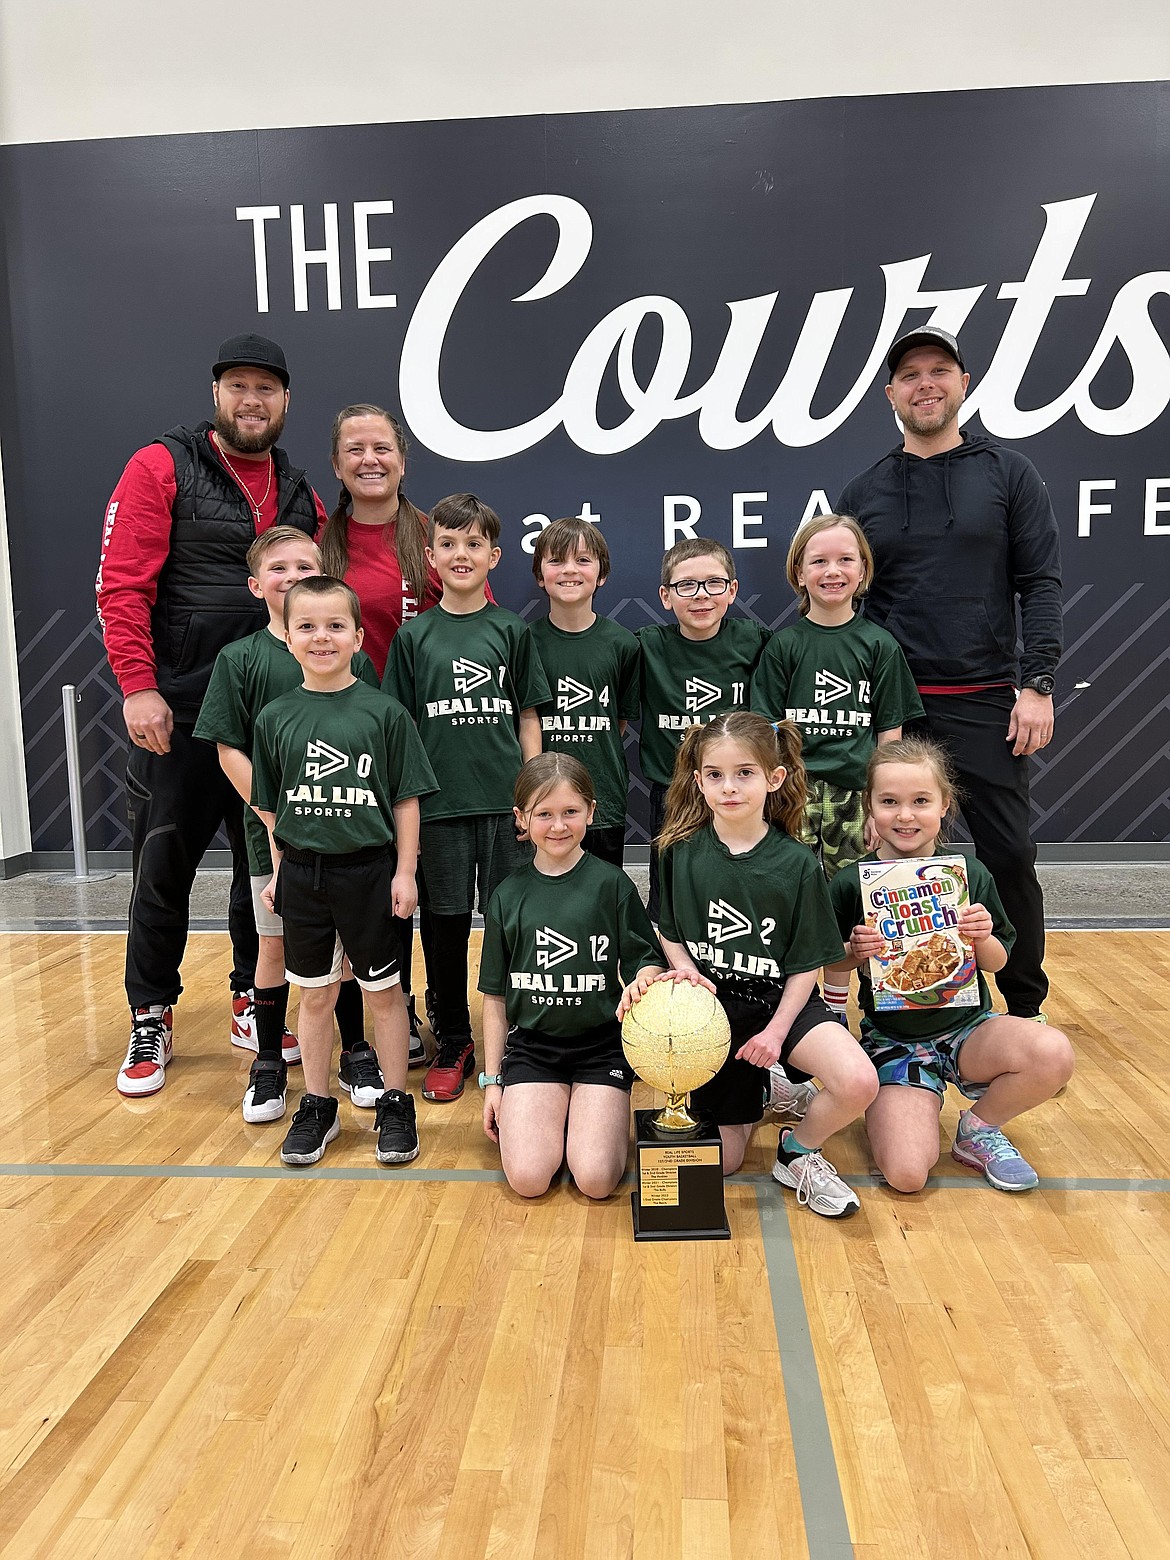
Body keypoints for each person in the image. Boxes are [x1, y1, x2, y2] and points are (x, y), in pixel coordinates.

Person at [97, 333, 326, 1098]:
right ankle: (150, 1013)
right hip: (182, 708)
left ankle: (246, 996)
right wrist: (138, 684)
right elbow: (121, 586)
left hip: (275, 717)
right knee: (162, 866)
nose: (252, 400)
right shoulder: (160, 466)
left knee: (258, 869)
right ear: (217, 394)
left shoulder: (300, 491)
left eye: (267, 388)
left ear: (286, 401)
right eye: (238, 386)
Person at [837, 326, 1062, 1019]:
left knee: (1009, 855)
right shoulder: (865, 490)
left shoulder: (1009, 474)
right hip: (896, 708)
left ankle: (1021, 1006)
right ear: (891, 395)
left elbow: (1041, 582)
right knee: (890, 858)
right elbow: (848, 601)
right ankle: (906, 1000)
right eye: (910, 375)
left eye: (939, 371)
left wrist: (1037, 684)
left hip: (986, 699)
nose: (925, 384)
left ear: (963, 383)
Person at [193, 527, 384, 1123]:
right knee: (273, 946)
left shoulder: (352, 656)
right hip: (272, 838)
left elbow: (372, 742)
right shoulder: (241, 659)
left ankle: (356, 1052)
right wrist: (278, 818)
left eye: (306, 564)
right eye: (279, 568)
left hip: (347, 836)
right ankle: (270, 1063)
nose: (294, 574)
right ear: (256, 585)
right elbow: (230, 749)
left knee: (349, 951)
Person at [654, 712, 878, 1217]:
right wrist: (687, 971)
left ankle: (797, 1151)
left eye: (745, 773)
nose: (729, 787)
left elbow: (804, 967)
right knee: (726, 1162)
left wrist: (776, 1033)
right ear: (698, 781)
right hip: (716, 1011)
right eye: (715, 775)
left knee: (859, 1082)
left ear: (774, 778)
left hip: (781, 1003)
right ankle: (768, 1082)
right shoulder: (676, 851)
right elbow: (667, 927)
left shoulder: (798, 863)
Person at [827, 738, 1073, 1192]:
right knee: (906, 1174)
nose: (905, 816)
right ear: (870, 808)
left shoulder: (969, 875)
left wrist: (980, 937)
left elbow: (998, 962)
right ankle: (900, 1102)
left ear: (945, 805)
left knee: (1053, 1053)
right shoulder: (849, 883)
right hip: (895, 1041)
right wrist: (854, 950)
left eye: (921, 801)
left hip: (969, 1029)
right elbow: (830, 963)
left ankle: (978, 1129)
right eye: (889, 802)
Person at [251, 576, 438, 1167]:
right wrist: (280, 871)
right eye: (306, 625)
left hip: (369, 872)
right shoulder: (275, 717)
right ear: (288, 637)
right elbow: (273, 809)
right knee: (313, 997)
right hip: (304, 875)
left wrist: (405, 872)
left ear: (359, 636)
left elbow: (407, 800)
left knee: (384, 995)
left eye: (335, 625)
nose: (321, 636)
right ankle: (317, 1104)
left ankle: (393, 1102)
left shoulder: (384, 714)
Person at [383, 494, 550, 1103]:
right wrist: (408, 807)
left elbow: (528, 718)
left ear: (494, 556)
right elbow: (399, 729)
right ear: (431, 556)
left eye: (474, 544)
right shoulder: (414, 636)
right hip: (439, 808)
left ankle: (527, 1032)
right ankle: (454, 1036)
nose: (461, 554)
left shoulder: (511, 630)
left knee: (516, 922)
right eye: (448, 544)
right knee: (446, 929)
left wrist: (533, 797)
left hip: (506, 807)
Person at [751, 512, 922, 1033]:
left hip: (855, 799)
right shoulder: (784, 645)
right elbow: (769, 734)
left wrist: (881, 804)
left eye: (845, 559)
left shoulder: (879, 645)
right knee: (794, 908)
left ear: (864, 572)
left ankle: (858, 1014)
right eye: (818, 560)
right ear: (798, 573)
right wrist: (772, 802)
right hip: (797, 797)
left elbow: (889, 735)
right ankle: (796, 1018)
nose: (832, 570)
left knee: (857, 911)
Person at [478, 754, 664, 1198]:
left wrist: (645, 979)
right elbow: (495, 1000)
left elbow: (647, 960)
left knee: (597, 1180)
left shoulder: (613, 886)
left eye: (570, 812)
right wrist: (492, 1082)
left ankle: (585, 1117)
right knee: (527, 1179)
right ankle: (554, 1115)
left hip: (601, 1048)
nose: (558, 826)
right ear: (521, 819)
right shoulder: (507, 895)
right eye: (544, 814)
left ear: (592, 812)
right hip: (533, 1051)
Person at [321, 403, 445, 1066]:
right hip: (342, 744)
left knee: (403, 890)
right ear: (337, 464)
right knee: (348, 889)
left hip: (416, 742)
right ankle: (352, 1038)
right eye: (354, 450)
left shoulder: (432, 536)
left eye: (382, 448)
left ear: (402, 458)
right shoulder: (319, 540)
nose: (370, 460)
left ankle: (397, 1008)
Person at [637, 538, 769, 920]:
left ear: (732, 590)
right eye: (685, 585)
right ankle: (668, 971)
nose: (700, 596)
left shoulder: (754, 640)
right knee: (670, 893)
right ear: (665, 595)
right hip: (674, 791)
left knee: (739, 887)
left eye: (713, 583)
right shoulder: (647, 646)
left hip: (739, 788)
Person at [528, 518, 640, 868]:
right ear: (539, 575)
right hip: (544, 805)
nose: (569, 570)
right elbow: (523, 719)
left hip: (602, 798)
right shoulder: (524, 642)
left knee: (602, 901)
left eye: (583, 560)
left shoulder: (623, 643)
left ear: (601, 574)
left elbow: (617, 720)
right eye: (557, 560)